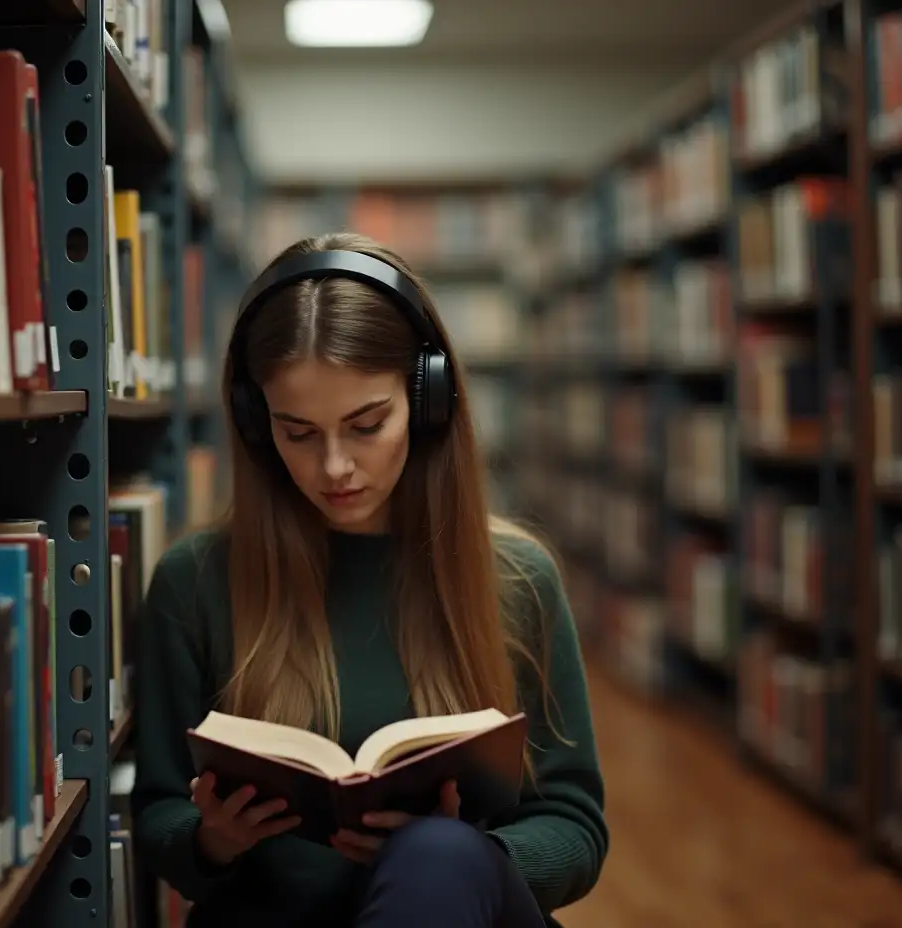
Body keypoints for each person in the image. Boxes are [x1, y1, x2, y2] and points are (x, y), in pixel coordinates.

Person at [131, 232, 607, 927]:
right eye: (298, 432)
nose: (334, 468)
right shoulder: (194, 581)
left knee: (438, 858)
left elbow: (576, 828)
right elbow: (158, 813)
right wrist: (210, 840)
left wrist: (470, 859)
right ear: (257, 426)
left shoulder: (518, 579)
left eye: (367, 424)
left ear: (430, 399)